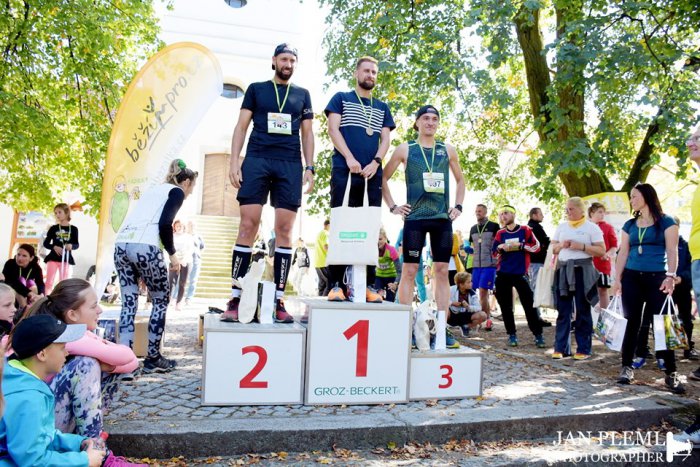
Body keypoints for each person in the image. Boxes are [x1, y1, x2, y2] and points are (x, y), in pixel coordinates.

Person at [222, 43, 314, 323]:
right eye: (284, 59)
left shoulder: (302, 94)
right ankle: (236, 297)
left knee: (284, 231)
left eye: (293, 60)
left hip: (289, 163)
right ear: (274, 60)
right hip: (257, 159)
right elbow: (241, 127)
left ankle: (278, 300)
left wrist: (310, 167)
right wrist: (234, 162)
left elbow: (308, 134)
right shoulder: (256, 89)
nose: (288, 64)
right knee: (247, 225)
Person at [16, 279, 141, 466]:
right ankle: (97, 454)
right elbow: (30, 459)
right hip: (36, 433)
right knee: (87, 365)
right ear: (72, 314)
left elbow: (131, 360)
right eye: (93, 306)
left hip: (45, 428)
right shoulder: (62, 337)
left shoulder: (65, 332)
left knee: (95, 365)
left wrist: (108, 366)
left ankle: (89, 447)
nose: (100, 310)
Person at [383, 104, 466, 349]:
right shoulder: (405, 149)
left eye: (434, 119)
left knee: (441, 271)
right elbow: (383, 178)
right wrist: (393, 207)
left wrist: (458, 207)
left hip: (442, 219)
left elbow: (460, 180)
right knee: (409, 271)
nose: (430, 122)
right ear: (417, 122)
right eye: (426, 118)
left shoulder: (447, 149)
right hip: (415, 219)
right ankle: (404, 328)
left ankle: (441, 328)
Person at [114, 159, 198, 373]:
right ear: (186, 182)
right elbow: (164, 224)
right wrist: (173, 255)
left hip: (122, 244)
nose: (190, 193)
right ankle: (153, 358)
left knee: (129, 303)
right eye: (192, 188)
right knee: (160, 299)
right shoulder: (176, 192)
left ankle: (125, 362)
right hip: (146, 247)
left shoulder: (153, 190)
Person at [325, 56, 395, 302]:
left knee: (370, 226)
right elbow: (333, 129)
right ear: (356, 73)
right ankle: (336, 284)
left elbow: (385, 140)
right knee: (342, 223)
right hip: (344, 170)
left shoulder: (382, 107)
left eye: (374, 72)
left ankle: (368, 285)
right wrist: (349, 158)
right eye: (366, 71)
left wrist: (376, 162)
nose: (370, 75)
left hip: (371, 174)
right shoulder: (341, 98)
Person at [0, 314, 105, 466]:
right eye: (62, 348)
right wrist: (84, 461)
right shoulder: (28, 398)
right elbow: (33, 461)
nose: (67, 353)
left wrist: (78, 442)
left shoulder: (16, 377)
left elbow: (41, 435)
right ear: (42, 354)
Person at [612, 183, 684, 393]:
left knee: (663, 323)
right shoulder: (630, 224)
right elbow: (623, 252)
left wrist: (670, 276)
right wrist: (617, 279)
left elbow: (672, 250)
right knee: (631, 322)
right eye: (631, 197)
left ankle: (671, 372)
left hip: (658, 278)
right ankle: (626, 366)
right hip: (632, 277)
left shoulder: (667, 222)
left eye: (634, 196)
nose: (631, 200)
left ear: (646, 196)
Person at [551, 197, 605, 360]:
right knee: (563, 310)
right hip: (563, 270)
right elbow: (553, 249)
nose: (568, 212)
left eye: (571, 209)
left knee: (582, 310)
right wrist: (561, 245)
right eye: (567, 209)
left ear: (581, 210)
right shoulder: (562, 227)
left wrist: (582, 246)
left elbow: (601, 251)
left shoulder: (592, 228)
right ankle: (561, 347)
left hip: (583, 270)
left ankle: (583, 348)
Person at [492, 205, 545, 348]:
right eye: (501, 214)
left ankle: (538, 335)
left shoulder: (525, 230)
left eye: (506, 213)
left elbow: (536, 247)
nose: (503, 216)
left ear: (513, 215)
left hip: (520, 273)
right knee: (505, 307)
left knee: (529, 305)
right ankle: (512, 335)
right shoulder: (500, 233)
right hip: (503, 273)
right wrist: (500, 248)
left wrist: (521, 246)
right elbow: (494, 252)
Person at [468, 204, 499, 330]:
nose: (477, 213)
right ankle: (481, 317)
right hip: (476, 265)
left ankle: (487, 319)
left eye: (480, 211)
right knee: (474, 292)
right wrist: (469, 250)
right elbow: (473, 246)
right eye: (476, 211)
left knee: (483, 291)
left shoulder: (494, 226)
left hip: (489, 264)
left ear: (485, 212)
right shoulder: (473, 229)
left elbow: (499, 243)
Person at [672, 216, 697, 360]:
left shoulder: (686, 246)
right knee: (665, 318)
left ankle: (688, 348)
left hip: (683, 287)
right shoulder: (661, 244)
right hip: (665, 289)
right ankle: (667, 350)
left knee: (686, 318)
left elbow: (691, 267)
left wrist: (681, 278)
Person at [43, 203, 80, 293]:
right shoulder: (53, 228)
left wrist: (71, 246)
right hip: (53, 258)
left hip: (65, 259)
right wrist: (54, 247)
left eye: (59, 212)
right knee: (49, 282)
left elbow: (76, 244)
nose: (57, 215)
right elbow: (46, 243)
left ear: (66, 213)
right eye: (55, 213)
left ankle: (62, 299)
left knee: (63, 283)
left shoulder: (74, 229)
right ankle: (46, 298)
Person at [588, 202, 618, 309]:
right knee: (584, 290)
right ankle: (582, 316)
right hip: (586, 265)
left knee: (603, 290)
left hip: (602, 265)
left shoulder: (608, 227)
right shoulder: (585, 227)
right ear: (592, 213)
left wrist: (607, 254)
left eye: (603, 212)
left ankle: (604, 315)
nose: (602, 215)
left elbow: (614, 246)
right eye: (599, 212)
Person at [527, 207, 552, 327]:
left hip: (531, 262)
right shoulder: (535, 227)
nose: (543, 216)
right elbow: (546, 241)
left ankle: (535, 316)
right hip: (536, 262)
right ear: (534, 215)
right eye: (541, 214)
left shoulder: (529, 228)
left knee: (534, 288)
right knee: (535, 288)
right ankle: (536, 317)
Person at [2, 243, 45, 310]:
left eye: (24, 256)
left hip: (29, 294)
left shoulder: (36, 267)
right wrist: (28, 292)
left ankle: (31, 309)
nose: (19, 258)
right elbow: (12, 282)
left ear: (31, 258)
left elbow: (40, 283)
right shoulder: (10, 263)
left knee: (31, 283)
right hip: (11, 291)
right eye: (18, 254)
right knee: (21, 281)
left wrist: (41, 294)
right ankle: (25, 310)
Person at [449, 272, 488, 336]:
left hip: (466, 315)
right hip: (453, 314)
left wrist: (468, 307)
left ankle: (466, 327)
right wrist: (452, 303)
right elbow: (441, 301)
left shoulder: (472, 293)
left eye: (471, 281)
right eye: (469, 282)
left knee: (483, 315)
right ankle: (443, 329)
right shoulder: (451, 289)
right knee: (444, 310)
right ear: (461, 284)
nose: (471, 283)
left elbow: (479, 307)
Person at [168, 220, 193, 311]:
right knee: (171, 282)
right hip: (174, 261)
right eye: (177, 226)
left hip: (186, 262)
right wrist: (175, 259)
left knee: (182, 283)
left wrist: (184, 259)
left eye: (180, 226)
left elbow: (190, 249)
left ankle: (179, 303)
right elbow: (169, 248)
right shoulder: (171, 236)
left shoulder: (188, 237)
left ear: (183, 227)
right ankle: (168, 301)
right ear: (174, 227)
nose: (179, 227)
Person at [375, 228, 400, 302]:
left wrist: (395, 284)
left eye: (380, 239)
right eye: (376, 239)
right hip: (379, 277)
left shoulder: (391, 250)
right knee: (378, 297)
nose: (378, 242)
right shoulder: (373, 250)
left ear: (385, 238)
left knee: (390, 299)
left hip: (391, 277)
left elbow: (399, 270)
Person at [185, 221, 205, 305]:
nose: (192, 227)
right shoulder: (184, 235)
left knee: (193, 280)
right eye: (190, 225)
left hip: (196, 260)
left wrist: (198, 254)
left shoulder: (199, 237)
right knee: (181, 280)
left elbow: (202, 247)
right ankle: (175, 297)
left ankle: (189, 298)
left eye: (193, 225)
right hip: (185, 260)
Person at [314, 220, 331, 296]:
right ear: (328, 225)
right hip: (324, 262)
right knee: (328, 282)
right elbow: (326, 246)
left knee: (322, 283)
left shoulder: (319, 233)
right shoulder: (325, 233)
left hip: (318, 262)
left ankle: (320, 298)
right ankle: (324, 299)